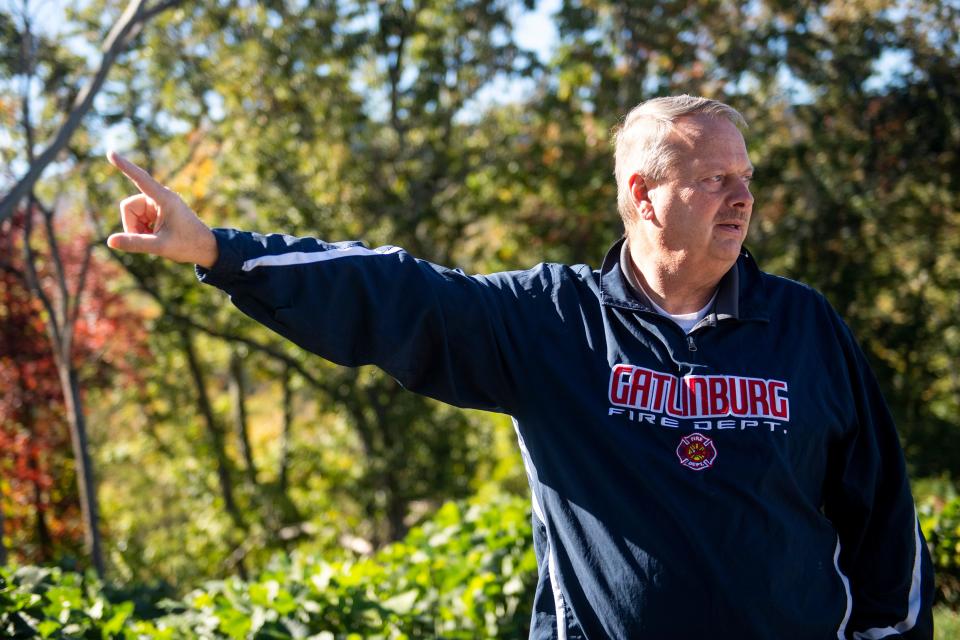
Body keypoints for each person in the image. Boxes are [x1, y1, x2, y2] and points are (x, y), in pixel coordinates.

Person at [107, 95, 934, 639]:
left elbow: (882, 515)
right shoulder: (552, 321)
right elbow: (398, 292)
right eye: (713, 178)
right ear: (643, 196)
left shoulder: (804, 324)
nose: (742, 197)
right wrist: (218, 250)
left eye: (746, 177)